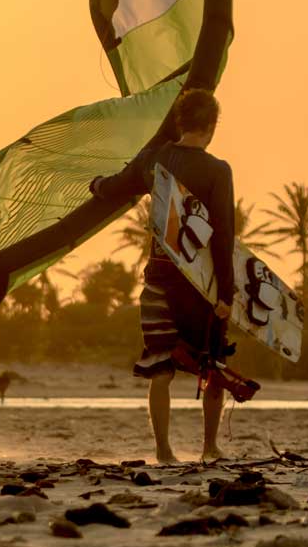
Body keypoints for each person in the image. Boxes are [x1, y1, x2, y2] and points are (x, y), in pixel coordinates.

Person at [90, 88, 236, 464]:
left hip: (159, 278)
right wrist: (227, 295)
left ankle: (164, 451)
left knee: (160, 366)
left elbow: (119, 186)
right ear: (212, 126)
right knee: (212, 366)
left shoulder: (155, 159)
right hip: (202, 287)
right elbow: (223, 232)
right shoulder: (218, 171)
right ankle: (209, 448)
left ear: (179, 122)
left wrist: (96, 185)